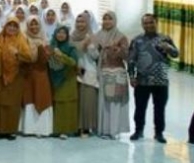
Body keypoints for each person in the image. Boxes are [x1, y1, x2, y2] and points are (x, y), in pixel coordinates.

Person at [128, 13, 179, 144]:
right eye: (146, 23)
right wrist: (132, 77)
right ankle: (138, 130)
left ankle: (159, 133)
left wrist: (169, 48)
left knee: (160, 108)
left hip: (160, 80)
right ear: (142, 25)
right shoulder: (137, 40)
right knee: (140, 107)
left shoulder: (165, 38)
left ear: (156, 22)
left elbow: (176, 54)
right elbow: (131, 60)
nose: (148, 25)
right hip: (142, 80)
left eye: (151, 22)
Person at [94, 11, 130, 139]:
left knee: (115, 102)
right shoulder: (97, 36)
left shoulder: (121, 37)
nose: (107, 21)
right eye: (105, 19)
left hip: (117, 74)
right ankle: (104, 129)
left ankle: (114, 131)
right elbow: (94, 54)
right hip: (103, 72)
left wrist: (118, 50)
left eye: (110, 19)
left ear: (114, 21)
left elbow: (127, 56)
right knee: (104, 102)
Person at [0, 17, 31, 140]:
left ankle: (11, 130)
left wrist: (17, 53)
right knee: (1, 103)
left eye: (14, 26)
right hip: (1, 75)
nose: (11, 28)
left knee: (13, 104)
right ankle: (1, 129)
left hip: (16, 77)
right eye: (9, 25)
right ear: (5, 27)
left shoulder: (21, 40)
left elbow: (29, 57)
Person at [21, 17, 53, 138]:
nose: (34, 27)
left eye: (36, 25)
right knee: (30, 99)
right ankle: (30, 129)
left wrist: (43, 51)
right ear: (27, 26)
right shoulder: (23, 40)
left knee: (41, 97)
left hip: (41, 74)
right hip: (29, 75)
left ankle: (42, 129)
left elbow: (46, 60)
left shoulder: (44, 40)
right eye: (31, 25)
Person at [71, 13, 98, 136]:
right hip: (74, 72)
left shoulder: (92, 37)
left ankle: (86, 127)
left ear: (87, 23)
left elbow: (97, 57)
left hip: (89, 72)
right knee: (76, 101)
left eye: (83, 22)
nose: (80, 24)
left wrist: (89, 47)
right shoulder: (71, 36)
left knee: (87, 101)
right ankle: (76, 126)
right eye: (78, 21)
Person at [49, 26, 78, 139]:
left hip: (67, 78)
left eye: (63, 33)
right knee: (56, 104)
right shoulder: (52, 46)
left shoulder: (71, 47)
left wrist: (62, 55)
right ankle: (56, 129)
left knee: (66, 105)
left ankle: (65, 130)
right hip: (54, 78)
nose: (61, 35)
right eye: (58, 32)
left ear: (67, 35)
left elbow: (73, 62)